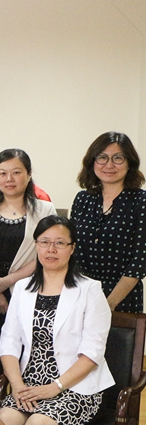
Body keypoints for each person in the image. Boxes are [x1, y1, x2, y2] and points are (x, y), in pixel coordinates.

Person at [0, 215, 113, 425]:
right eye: (44, 242)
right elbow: (9, 342)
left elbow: (93, 352)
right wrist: (17, 385)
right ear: (36, 245)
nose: (51, 249)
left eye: (60, 243)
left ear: (72, 248)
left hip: (76, 388)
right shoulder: (22, 288)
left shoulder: (90, 290)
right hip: (29, 386)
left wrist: (55, 386)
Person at [0, 149, 56, 370]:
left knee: (24, 352)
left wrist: (7, 282)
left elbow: (46, 253)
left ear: (29, 174)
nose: (9, 179)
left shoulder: (45, 209)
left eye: (16, 172)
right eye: (3, 173)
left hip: (28, 291)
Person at [71, 131, 146, 313]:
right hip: (80, 293)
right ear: (92, 162)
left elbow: (140, 261)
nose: (109, 165)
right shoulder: (82, 199)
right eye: (102, 157)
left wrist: (109, 304)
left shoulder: (141, 202)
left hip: (122, 299)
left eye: (118, 158)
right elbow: (71, 249)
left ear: (130, 163)